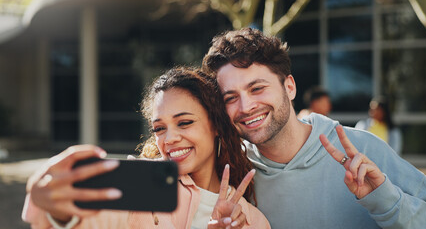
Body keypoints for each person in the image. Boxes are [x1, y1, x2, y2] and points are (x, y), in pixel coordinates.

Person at [202, 27, 426, 228]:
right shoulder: (232, 172)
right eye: (231, 98)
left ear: (289, 87)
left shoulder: (362, 150)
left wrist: (386, 200)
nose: (245, 106)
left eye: (257, 88)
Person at [22, 67, 270, 229]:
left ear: (216, 125)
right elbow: (89, 221)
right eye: (159, 128)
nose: (169, 138)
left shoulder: (252, 221)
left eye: (184, 123)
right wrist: (57, 212)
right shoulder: (142, 184)